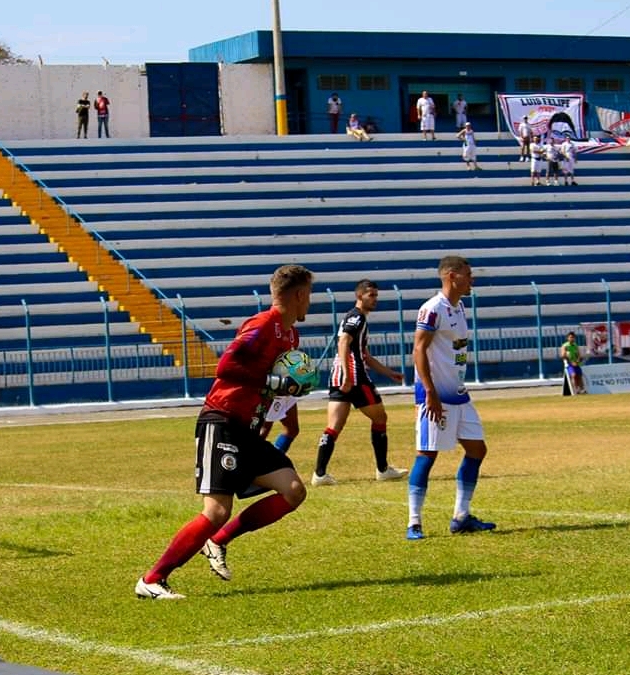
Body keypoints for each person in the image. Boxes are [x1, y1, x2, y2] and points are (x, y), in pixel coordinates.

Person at [135, 265, 315, 599]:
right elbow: (226, 366)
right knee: (216, 510)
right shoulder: (263, 325)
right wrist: (272, 382)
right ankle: (152, 579)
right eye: (309, 295)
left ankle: (217, 541)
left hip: (247, 429)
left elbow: (272, 386)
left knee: (293, 490)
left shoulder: (291, 336)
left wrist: (287, 393)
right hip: (222, 421)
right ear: (299, 294)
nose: (310, 303)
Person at [407, 256, 496, 539]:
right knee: (427, 454)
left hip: (458, 393)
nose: (473, 279)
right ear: (451, 276)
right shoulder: (433, 309)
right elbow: (418, 350)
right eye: (468, 274)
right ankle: (414, 522)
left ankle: (461, 516)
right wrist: (430, 392)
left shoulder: (459, 306)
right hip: (435, 395)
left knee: (477, 450)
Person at [312, 279, 407, 486]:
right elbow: (343, 342)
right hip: (354, 377)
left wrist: (389, 372)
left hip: (338, 377)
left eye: (375, 296)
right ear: (359, 296)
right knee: (380, 418)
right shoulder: (357, 317)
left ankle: (319, 475)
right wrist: (348, 374)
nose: (374, 300)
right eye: (370, 295)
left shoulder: (356, 318)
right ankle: (383, 470)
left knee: (334, 426)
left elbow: (365, 355)